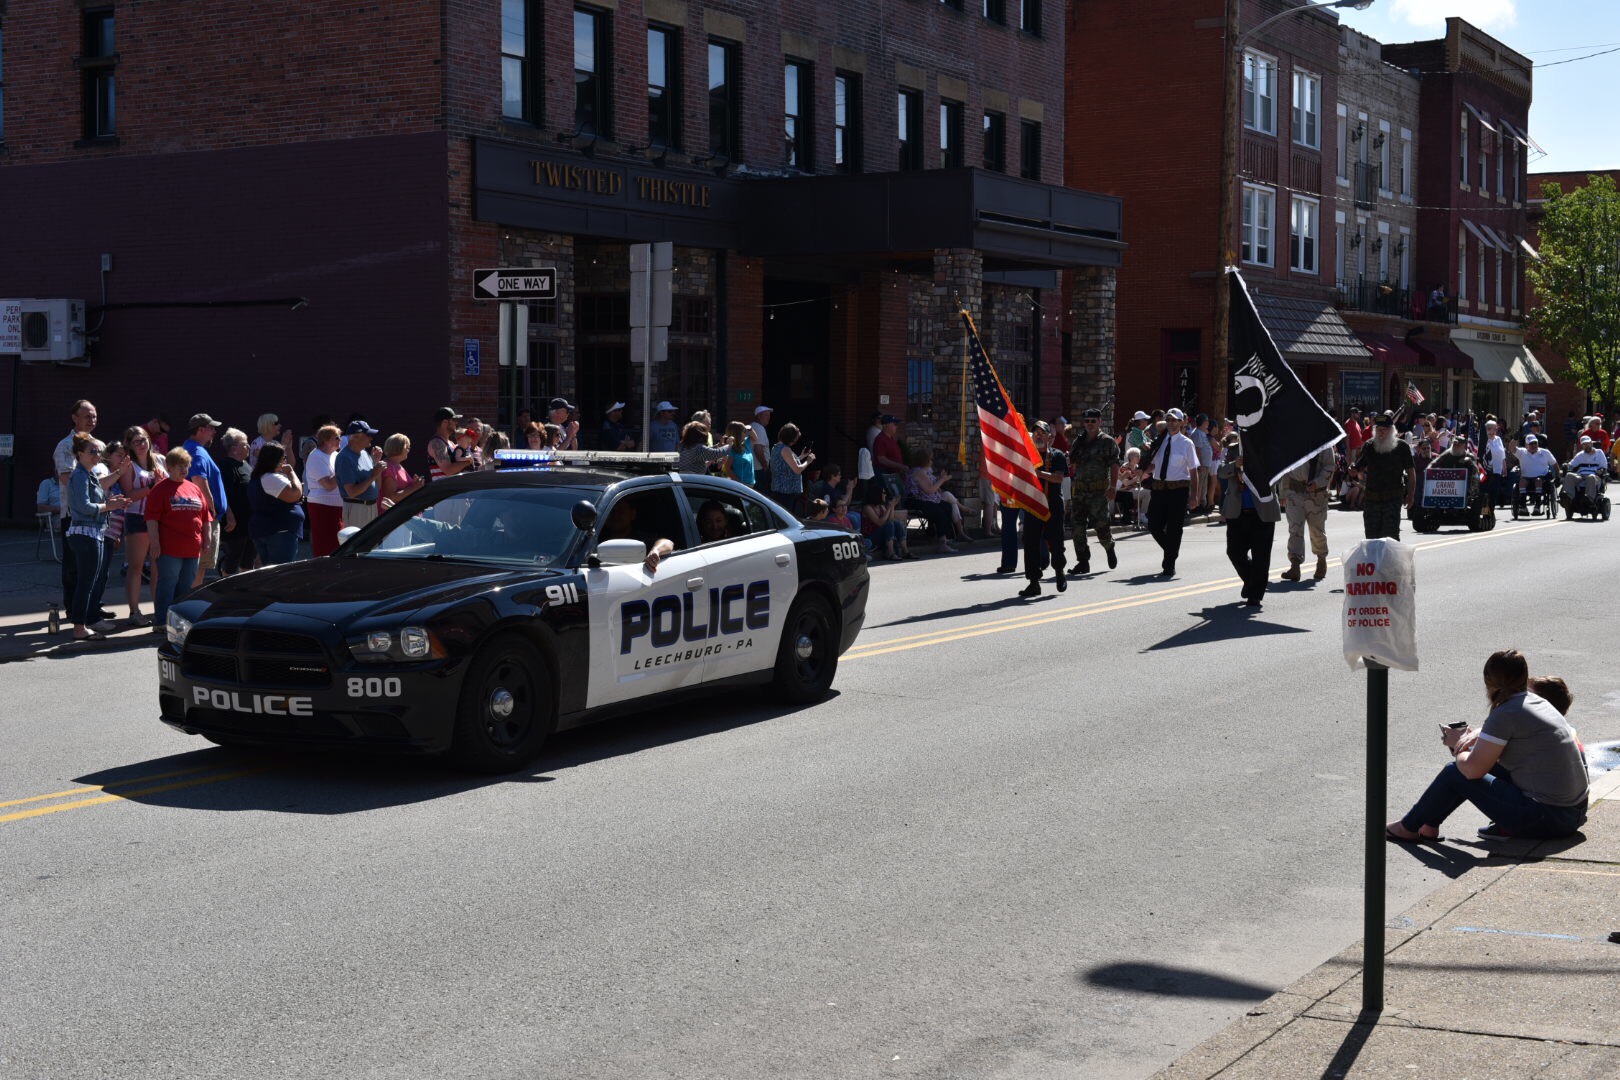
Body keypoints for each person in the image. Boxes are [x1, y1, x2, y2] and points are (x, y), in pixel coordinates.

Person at [1387, 650, 1588, 842]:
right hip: (1573, 813)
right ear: (1524, 678)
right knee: (1473, 765)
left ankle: (1408, 828)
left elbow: (1473, 771)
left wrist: (1459, 744)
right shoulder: (1537, 702)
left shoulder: (1506, 713)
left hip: (1548, 819)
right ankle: (1429, 826)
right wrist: (1477, 734)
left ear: (1488, 682)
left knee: (1455, 771)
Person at [65, 434, 130, 639]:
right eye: (92, 451)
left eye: (98, 452)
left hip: (93, 533)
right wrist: (109, 506)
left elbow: (101, 487)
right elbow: (83, 507)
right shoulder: (79, 475)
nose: (97, 455)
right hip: (85, 533)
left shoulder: (88, 474)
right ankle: (79, 628)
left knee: (90, 581)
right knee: (86, 582)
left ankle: (82, 624)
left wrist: (119, 475)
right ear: (79, 454)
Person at [144, 446, 211, 632]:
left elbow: (205, 517)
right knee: (167, 583)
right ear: (170, 467)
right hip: (170, 549)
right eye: (180, 465)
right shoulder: (160, 490)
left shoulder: (194, 488)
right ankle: (161, 621)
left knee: (185, 586)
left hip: (192, 548)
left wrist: (207, 540)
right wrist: (155, 543)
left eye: (186, 465)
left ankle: (179, 623)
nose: (184, 469)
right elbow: (151, 519)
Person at [1217, 434, 1280, 608]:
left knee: (1261, 556)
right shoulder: (1232, 449)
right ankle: (1252, 581)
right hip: (1238, 511)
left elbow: (1278, 474)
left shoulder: (1269, 449)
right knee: (1234, 552)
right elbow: (1221, 471)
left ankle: (1255, 594)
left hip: (1263, 511)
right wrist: (1234, 465)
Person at [1143, 407, 1201, 577]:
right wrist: (1142, 470)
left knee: (1175, 529)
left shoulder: (1186, 443)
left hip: (1178, 491)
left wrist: (1194, 495)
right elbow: (1156, 464)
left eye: (1175, 420)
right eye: (1168, 420)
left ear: (1181, 422)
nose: (1171, 423)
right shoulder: (1160, 441)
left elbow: (1193, 471)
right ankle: (1172, 549)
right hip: (1159, 489)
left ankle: (1169, 564)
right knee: (1154, 525)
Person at [116, 426, 164, 623]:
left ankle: (159, 610)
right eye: (136, 441)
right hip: (137, 517)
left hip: (160, 519)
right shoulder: (129, 466)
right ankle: (134, 611)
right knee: (136, 567)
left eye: (143, 440)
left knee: (157, 567)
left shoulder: (160, 460)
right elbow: (128, 495)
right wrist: (153, 487)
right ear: (129, 445)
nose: (142, 444)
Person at [1067, 408, 1120, 574]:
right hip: (1080, 491)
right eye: (1087, 421)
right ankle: (1083, 561)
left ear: (1099, 422)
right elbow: (1073, 462)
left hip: (1098, 492)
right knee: (1077, 527)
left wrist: (1112, 487)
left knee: (1101, 526)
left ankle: (1109, 547)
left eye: (1093, 421)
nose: (1089, 424)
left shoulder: (1107, 441)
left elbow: (1114, 464)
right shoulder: (1079, 441)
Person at [1019, 421, 1068, 597]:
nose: (1038, 436)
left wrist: (1037, 473)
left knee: (1056, 541)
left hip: (1053, 504)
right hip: (1033, 504)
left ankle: (1059, 571)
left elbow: (1058, 478)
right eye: (1035, 433)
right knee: (1030, 542)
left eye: (1042, 432)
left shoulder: (1057, 455)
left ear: (1049, 436)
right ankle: (1033, 582)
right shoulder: (1027, 457)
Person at [1278, 442, 1336, 582]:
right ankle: (1295, 565)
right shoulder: (1291, 440)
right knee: (1295, 529)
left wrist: (1318, 482)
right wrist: (1283, 492)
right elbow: (1285, 467)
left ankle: (1321, 559)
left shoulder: (1323, 442)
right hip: (1294, 492)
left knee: (1316, 530)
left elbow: (1330, 466)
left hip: (1316, 493)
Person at [1353, 412, 1414, 540]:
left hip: (1392, 499)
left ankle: (1390, 560)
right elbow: (1358, 466)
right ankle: (1374, 560)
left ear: (1391, 430)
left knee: (1390, 537)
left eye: (1384, 429)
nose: (1381, 432)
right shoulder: (1369, 445)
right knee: (1371, 537)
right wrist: (1353, 470)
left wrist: (1411, 495)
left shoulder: (1401, 447)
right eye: (1378, 429)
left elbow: (1411, 472)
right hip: (1372, 499)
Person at [247, 442, 306, 566]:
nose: (285, 461)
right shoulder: (270, 477)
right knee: (280, 572)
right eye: (283, 458)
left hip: (269, 529)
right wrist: (291, 472)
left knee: (268, 569)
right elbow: (295, 494)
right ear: (275, 460)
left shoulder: (261, 477)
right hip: (278, 531)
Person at [596, 496, 675, 575]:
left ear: (632, 514)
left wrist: (655, 550)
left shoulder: (641, 539)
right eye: (612, 511)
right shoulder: (594, 537)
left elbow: (668, 543)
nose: (615, 515)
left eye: (621, 511)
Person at [216, 428, 257, 576]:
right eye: (245, 444)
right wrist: (229, 516)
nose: (248, 447)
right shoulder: (225, 466)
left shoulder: (246, 465)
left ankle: (245, 591)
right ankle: (226, 590)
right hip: (235, 524)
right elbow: (223, 494)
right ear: (234, 449)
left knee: (248, 559)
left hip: (249, 522)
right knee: (233, 558)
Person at [302, 424, 345, 556]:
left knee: (337, 543)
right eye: (336, 438)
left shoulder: (336, 455)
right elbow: (328, 484)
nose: (340, 440)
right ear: (326, 440)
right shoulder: (316, 456)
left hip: (337, 505)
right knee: (325, 544)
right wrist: (343, 470)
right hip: (322, 506)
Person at [904, 448, 958, 554]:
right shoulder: (919, 472)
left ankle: (940, 537)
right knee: (938, 511)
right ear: (925, 460)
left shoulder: (924, 471)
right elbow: (929, 490)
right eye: (930, 459)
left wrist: (941, 478)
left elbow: (934, 487)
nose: (931, 461)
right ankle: (942, 543)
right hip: (916, 501)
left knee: (946, 506)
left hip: (925, 500)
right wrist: (942, 479)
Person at [335, 420, 384, 527]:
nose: (371, 438)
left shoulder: (365, 454)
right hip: (357, 510)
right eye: (368, 435)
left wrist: (375, 463)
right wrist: (374, 475)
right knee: (359, 543)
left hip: (371, 507)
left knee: (372, 544)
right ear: (355, 437)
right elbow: (352, 492)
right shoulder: (345, 458)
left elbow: (377, 486)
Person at [860, 478, 911, 560]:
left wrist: (892, 507)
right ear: (876, 494)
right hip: (871, 538)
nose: (885, 495)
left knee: (897, 523)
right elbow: (879, 523)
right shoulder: (868, 508)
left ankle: (905, 551)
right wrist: (889, 508)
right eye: (883, 493)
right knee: (890, 525)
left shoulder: (881, 506)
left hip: (882, 535)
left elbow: (891, 520)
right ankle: (890, 552)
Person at [769, 423, 816, 513]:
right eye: (795, 440)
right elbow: (797, 469)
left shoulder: (777, 447)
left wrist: (802, 456)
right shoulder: (785, 449)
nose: (794, 442)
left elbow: (788, 464)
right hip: (785, 493)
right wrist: (808, 461)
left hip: (781, 491)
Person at [428, 406, 476, 481]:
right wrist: (468, 461)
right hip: (443, 490)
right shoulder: (436, 443)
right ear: (445, 422)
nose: (456, 423)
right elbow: (448, 470)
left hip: (453, 489)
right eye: (454, 420)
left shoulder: (451, 443)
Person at [379, 433, 424, 510]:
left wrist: (415, 483)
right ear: (400, 447)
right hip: (394, 517)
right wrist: (414, 487)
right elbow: (389, 498)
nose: (409, 450)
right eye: (407, 447)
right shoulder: (389, 467)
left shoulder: (397, 465)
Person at [1561, 435, 1608, 507]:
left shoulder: (1599, 453)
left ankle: (1589, 499)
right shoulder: (1580, 455)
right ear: (1582, 446)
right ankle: (1568, 498)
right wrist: (1566, 466)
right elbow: (1571, 465)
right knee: (1569, 475)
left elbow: (1604, 467)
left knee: (1591, 477)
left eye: (1587, 444)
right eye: (1584, 444)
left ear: (1591, 443)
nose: (1586, 446)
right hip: (1581, 476)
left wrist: (1601, 471)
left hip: (1595, 476)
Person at [1514, 433, 1557, 505]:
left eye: (1535, 443)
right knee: (1521, 482)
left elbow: (1555, 464)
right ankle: (1523, 507)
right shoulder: (1521, 452)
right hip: (1526, 478)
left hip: (1542, 478)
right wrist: (1514, 439)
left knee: (1538, 480)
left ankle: (1537, 505)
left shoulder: (1545, 452)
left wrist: (1558, 476)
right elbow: (1512, 448)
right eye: (1531, 443)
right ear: (1526, 445)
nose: (1534, 445)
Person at [1116, 445, 1149, 529]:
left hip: (1133, 489)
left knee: (1148, 492)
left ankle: (1141, 514)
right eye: (1137, 456)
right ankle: (1141, 514)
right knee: (1147, 493)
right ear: (1131, 457)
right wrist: (1138, 478)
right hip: (1124, 491)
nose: (1139, 457)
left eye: (1139, 455)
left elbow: (1137, 482)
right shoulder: (1125, 467)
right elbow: (1126, 483)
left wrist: (1142, 478)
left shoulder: (1137, 467)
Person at [1479, 419, 1507, 507]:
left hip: (1497, 470)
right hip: (1485, 471)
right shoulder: (1483, 440)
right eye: (1491, 429)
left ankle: (1490, 512)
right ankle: (1485, 512)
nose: (1494, 431)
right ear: (1487, 429)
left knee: (1493, 493)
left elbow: (1502, 455)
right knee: (1485, 493)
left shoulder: (1498, 439)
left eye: (1496, 429)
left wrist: (1504, 468)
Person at [723, 421, 756, 486]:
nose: (746, 433)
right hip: (741, 486)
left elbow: (755, 437)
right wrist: (740, 483)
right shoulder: (731, 449)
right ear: (737, 434)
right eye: (744, 431)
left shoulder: (746, 443)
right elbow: (727, 468)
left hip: (751, 484)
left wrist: (749, 428)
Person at [750, 405, 773, 479]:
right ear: (759, 416)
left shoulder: (752, 426)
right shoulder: (759, 428)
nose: (768, 417)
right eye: (766, 415)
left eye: (769, 415)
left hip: (753, 468)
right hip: (759, 469)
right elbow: (758, 449)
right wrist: (765, 467)